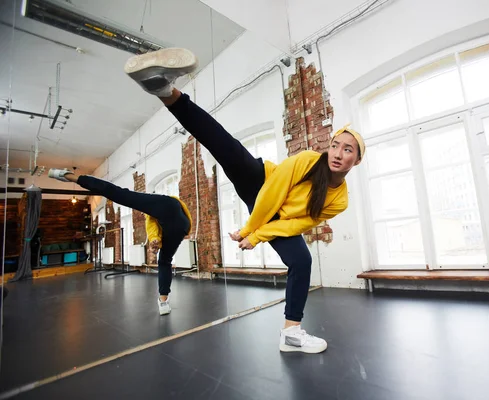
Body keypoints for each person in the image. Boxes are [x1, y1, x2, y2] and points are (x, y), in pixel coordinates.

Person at [123, 47, 365, 354]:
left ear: (356, 161)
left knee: (302, 260)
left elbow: (297, 223)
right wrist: (250, 228)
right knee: (223, 143)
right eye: (335, 145)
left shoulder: (339, 200)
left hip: (275, 219)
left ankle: (291, 334)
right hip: (260, 183)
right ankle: (165, 91)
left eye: (348, 150)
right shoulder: (307, 160)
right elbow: (272, 193)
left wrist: (257, 236)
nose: (339, 153)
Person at [47, 170, 192, 316]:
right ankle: (163, 301)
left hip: (170, 210)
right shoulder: (172, 226)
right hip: (180, 223)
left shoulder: (157, 216)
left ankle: (71, 176)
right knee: (164, 260)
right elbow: (154, 228)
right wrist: (155, 240)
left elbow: (152, 226)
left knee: (119, 194)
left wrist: (155, 240)